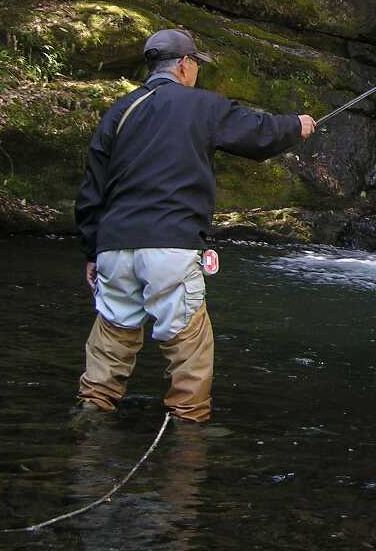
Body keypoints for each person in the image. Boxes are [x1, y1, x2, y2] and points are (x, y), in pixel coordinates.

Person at [74, 28, 316, 422]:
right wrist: (297, 125)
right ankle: (188, 436)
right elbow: (258, 133)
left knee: (112, 338)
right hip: (170, 246)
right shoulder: (201, 105)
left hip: (114, 248)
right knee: (189, 346)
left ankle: (89, 422)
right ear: (185, 65)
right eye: (195, 65)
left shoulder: (119, 112)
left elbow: (91, 190)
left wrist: (92, 249)